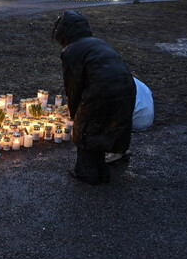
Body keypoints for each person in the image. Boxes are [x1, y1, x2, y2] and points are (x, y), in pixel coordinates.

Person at [51, 11, 136, 185]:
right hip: (126, 89)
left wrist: (75, 114)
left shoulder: (72, 50)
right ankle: (101, 172)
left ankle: (86, 173)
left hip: (101, 92)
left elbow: (73, 85)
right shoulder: (97, 43)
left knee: (86, 130)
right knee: (100, 130)